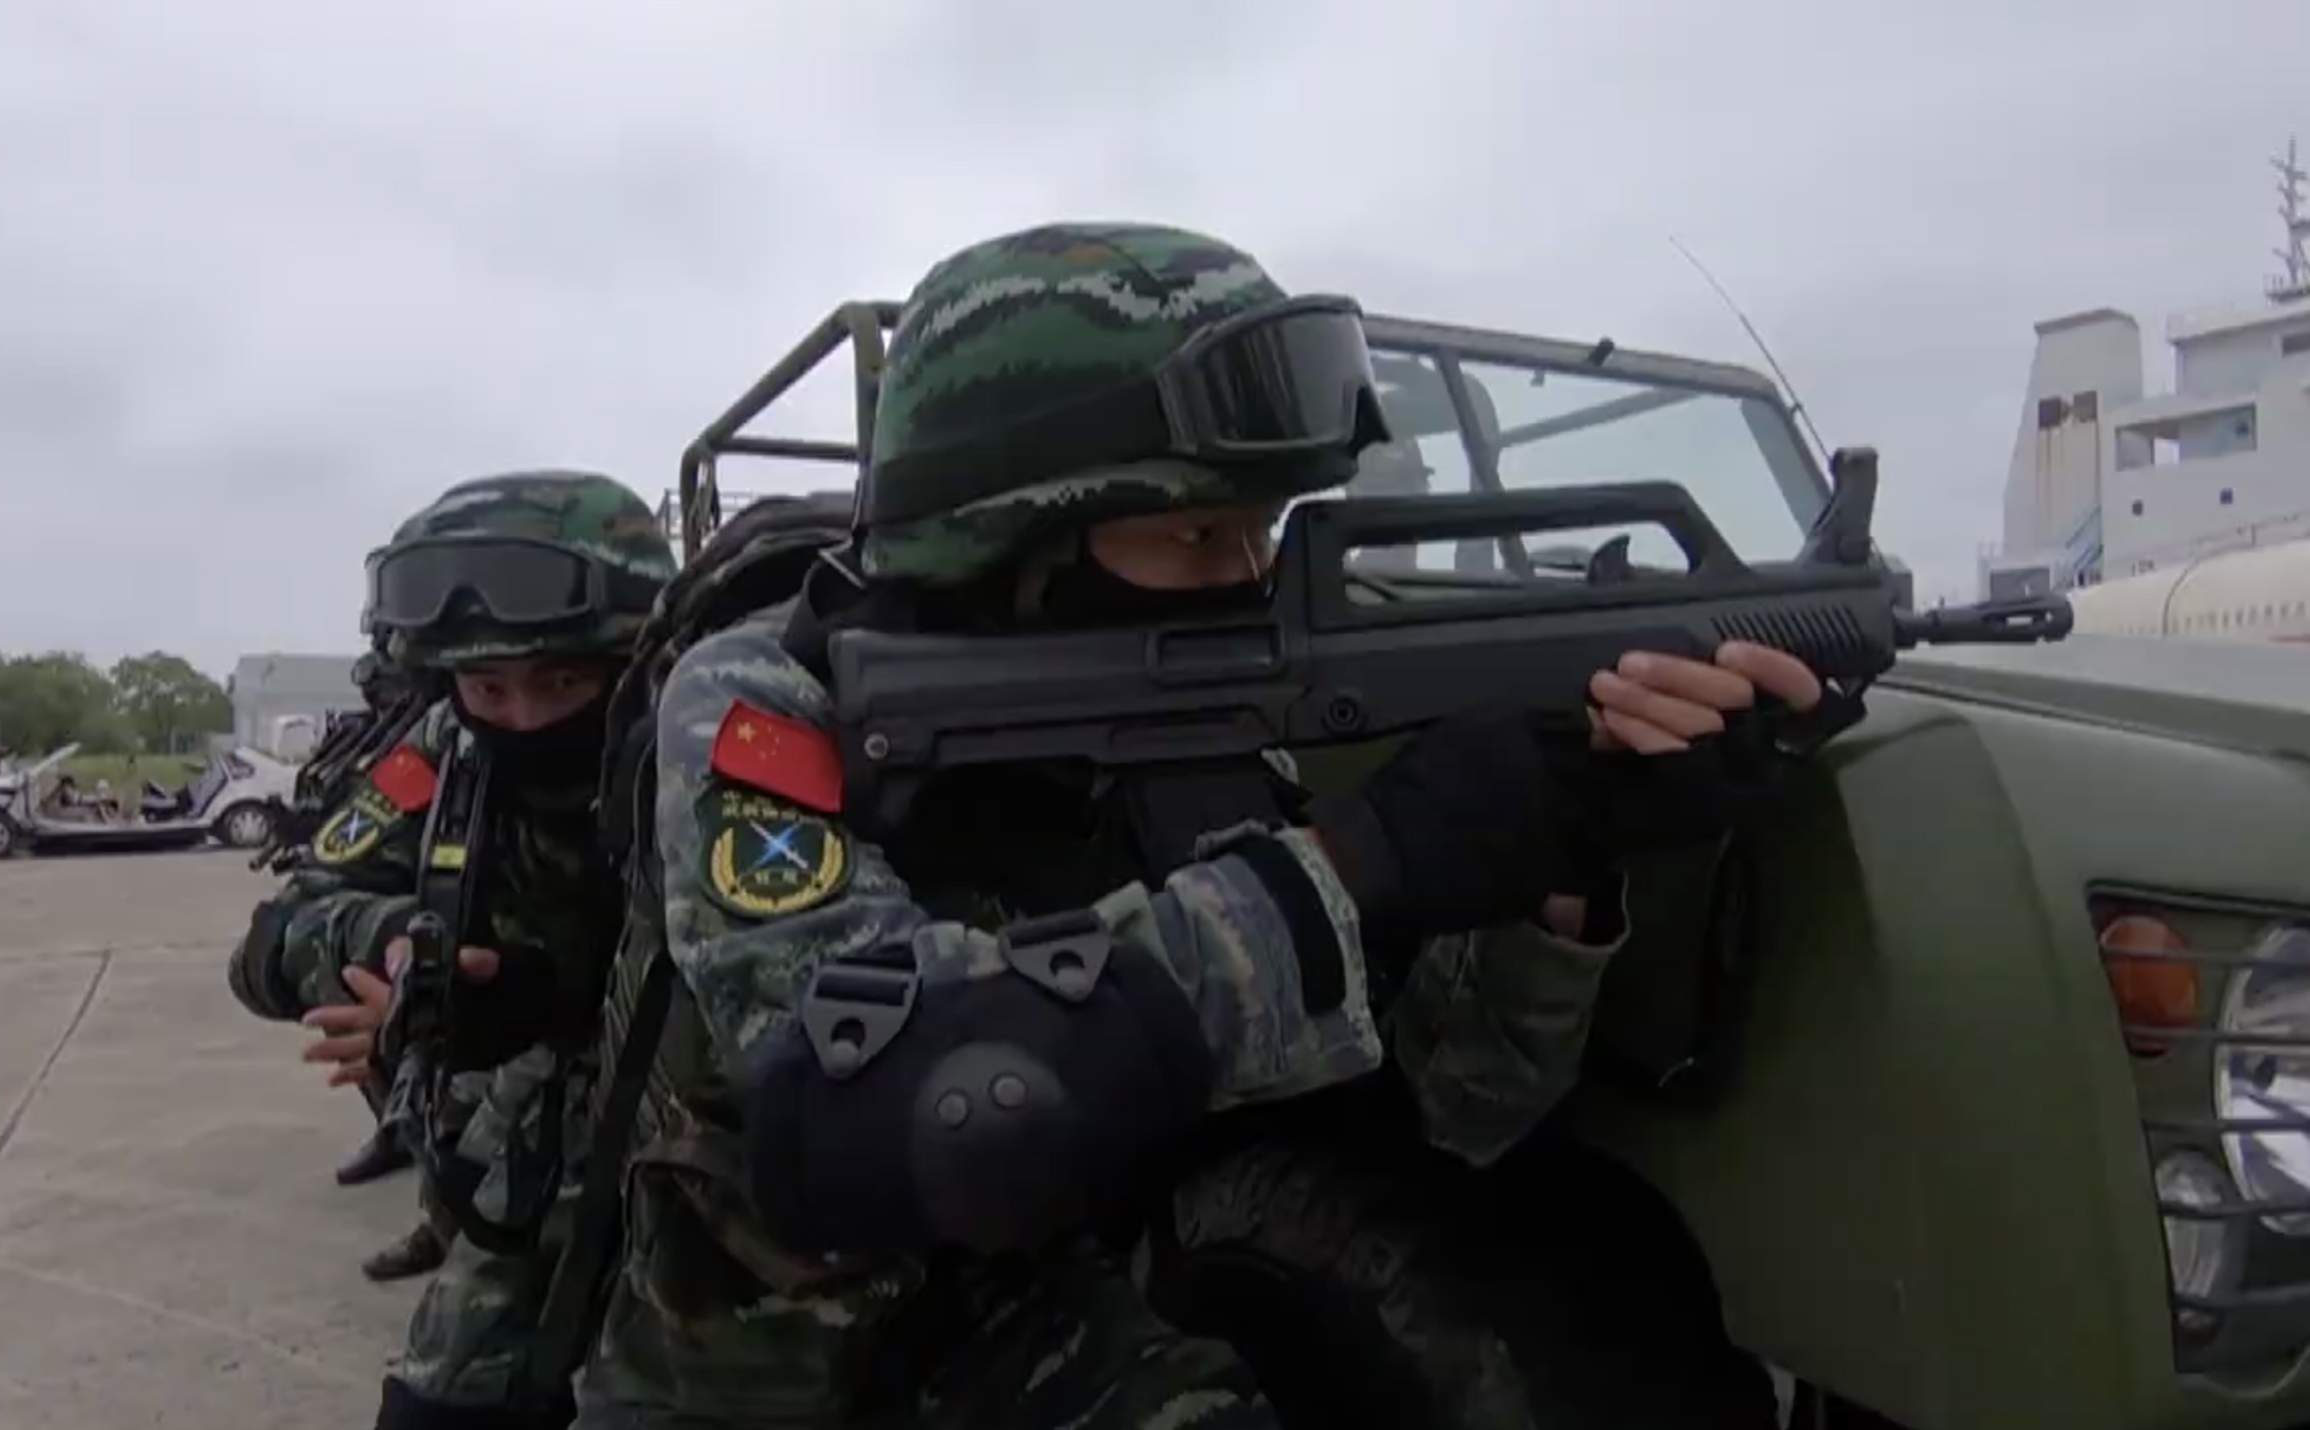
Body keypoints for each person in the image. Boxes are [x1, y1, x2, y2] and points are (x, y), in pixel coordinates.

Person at [570, 223, 1827, 1427]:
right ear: (1007, 530)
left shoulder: (1197, 716)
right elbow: (871, 1105)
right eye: (1194, 533)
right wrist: (1364, 859)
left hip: (1030, 1315)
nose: (1247, 574)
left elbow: (1457, 1111)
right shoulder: (765, 698)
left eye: (1260, 527)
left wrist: (1561, 846)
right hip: (752, 1371)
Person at [222, 470, 675, 1418]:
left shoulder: (704, 737)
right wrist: (404, 952)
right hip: (532, 1155)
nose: (522, 718)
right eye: (486, 686)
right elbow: (272, 940)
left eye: (563, 681)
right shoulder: (448, 750)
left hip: (706, 1163)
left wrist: (557, 990)